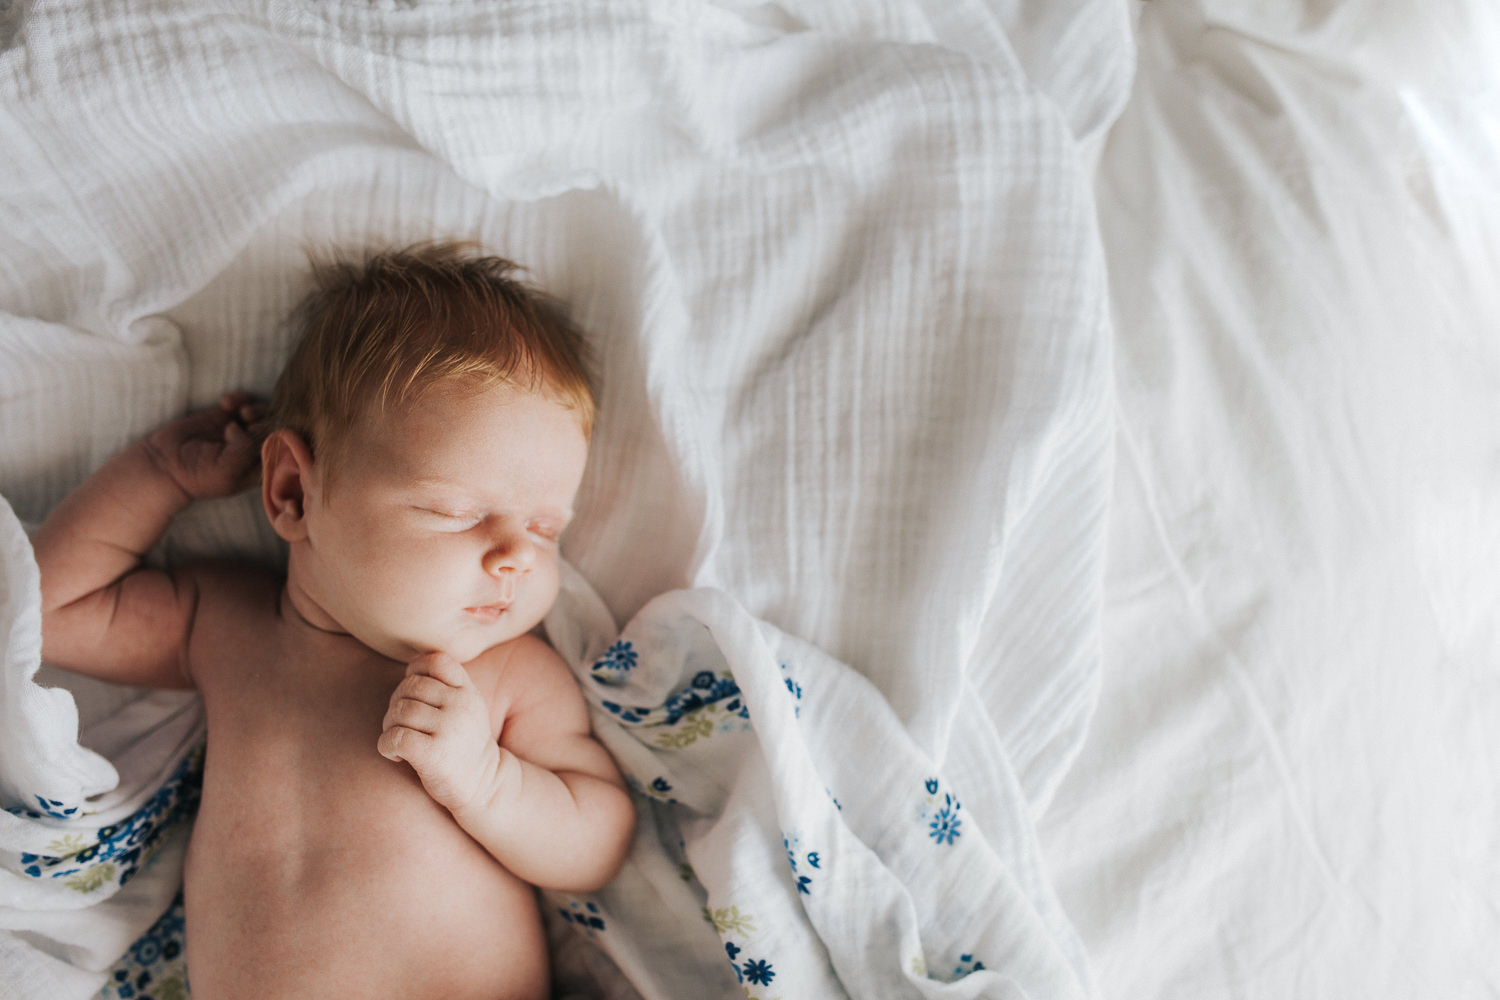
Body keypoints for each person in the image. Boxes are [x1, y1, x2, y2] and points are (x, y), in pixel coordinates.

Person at [31, 244, 635, 1000]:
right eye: (459, 511)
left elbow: (600, 841)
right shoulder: (228, 626)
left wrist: (488, 781)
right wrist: (161, 473)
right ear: (292, 493)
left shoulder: (505, 675)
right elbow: (49, 612)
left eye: (547, 529)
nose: (516, 556)